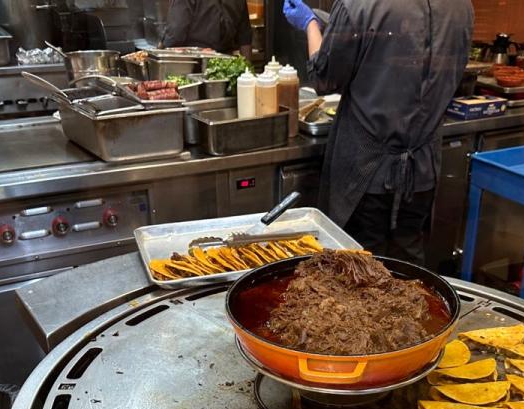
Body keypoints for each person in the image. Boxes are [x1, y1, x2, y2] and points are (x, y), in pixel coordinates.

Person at [283, 0, 473, 264]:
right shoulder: (462, 6)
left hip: (366, 173)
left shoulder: (358, 4)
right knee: (408, 267)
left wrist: (310, 24)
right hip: (421, 170)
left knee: (358, 267)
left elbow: (324, 78)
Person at [162, 0, 252, 59]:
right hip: (225, 65)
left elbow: (175, 34)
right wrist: (247, 72)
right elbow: (245, 40)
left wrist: (159, 51)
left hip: (193, 64)